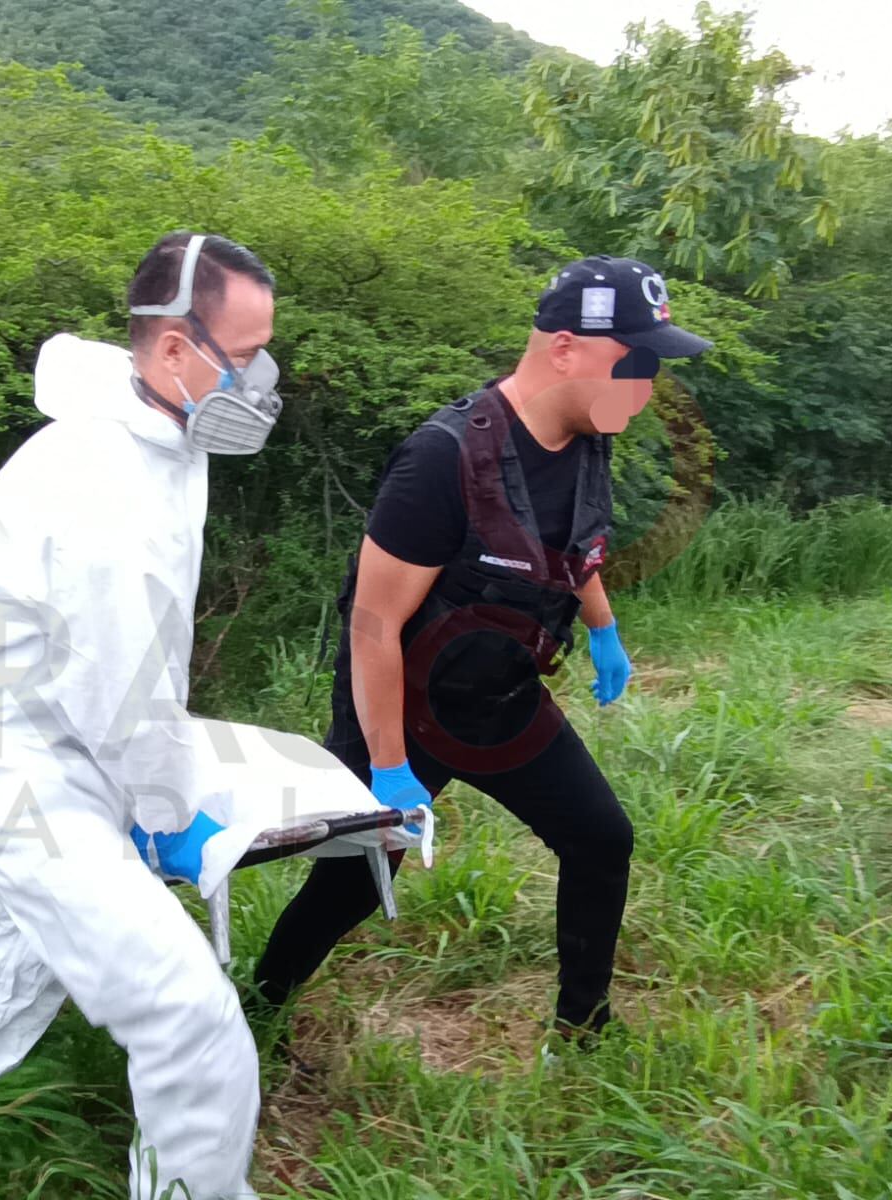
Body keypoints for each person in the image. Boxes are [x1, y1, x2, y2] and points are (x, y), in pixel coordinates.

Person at [0, 232, 283, 1199]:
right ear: (174, 348)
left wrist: (147, 796)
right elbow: (118, 685)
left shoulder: (166, 423)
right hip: (15, 780)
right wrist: (172, 814)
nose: (261, 382)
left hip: (59, 758)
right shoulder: (98, 481)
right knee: (188, 1015)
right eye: (245, 356)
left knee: (1, 990)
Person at [253, 255, 713, 1044]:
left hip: (500, 697)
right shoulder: (443, 459)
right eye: (633, 363)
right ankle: (256, 1009)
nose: (646, 387)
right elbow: (372, 623)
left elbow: (575, 551)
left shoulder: (588, 432)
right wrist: (391, 768)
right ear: (564, 350)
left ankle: (584, 1029)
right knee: (353, 885)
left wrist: (602, 629)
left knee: (602, 839)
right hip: (400, 702)